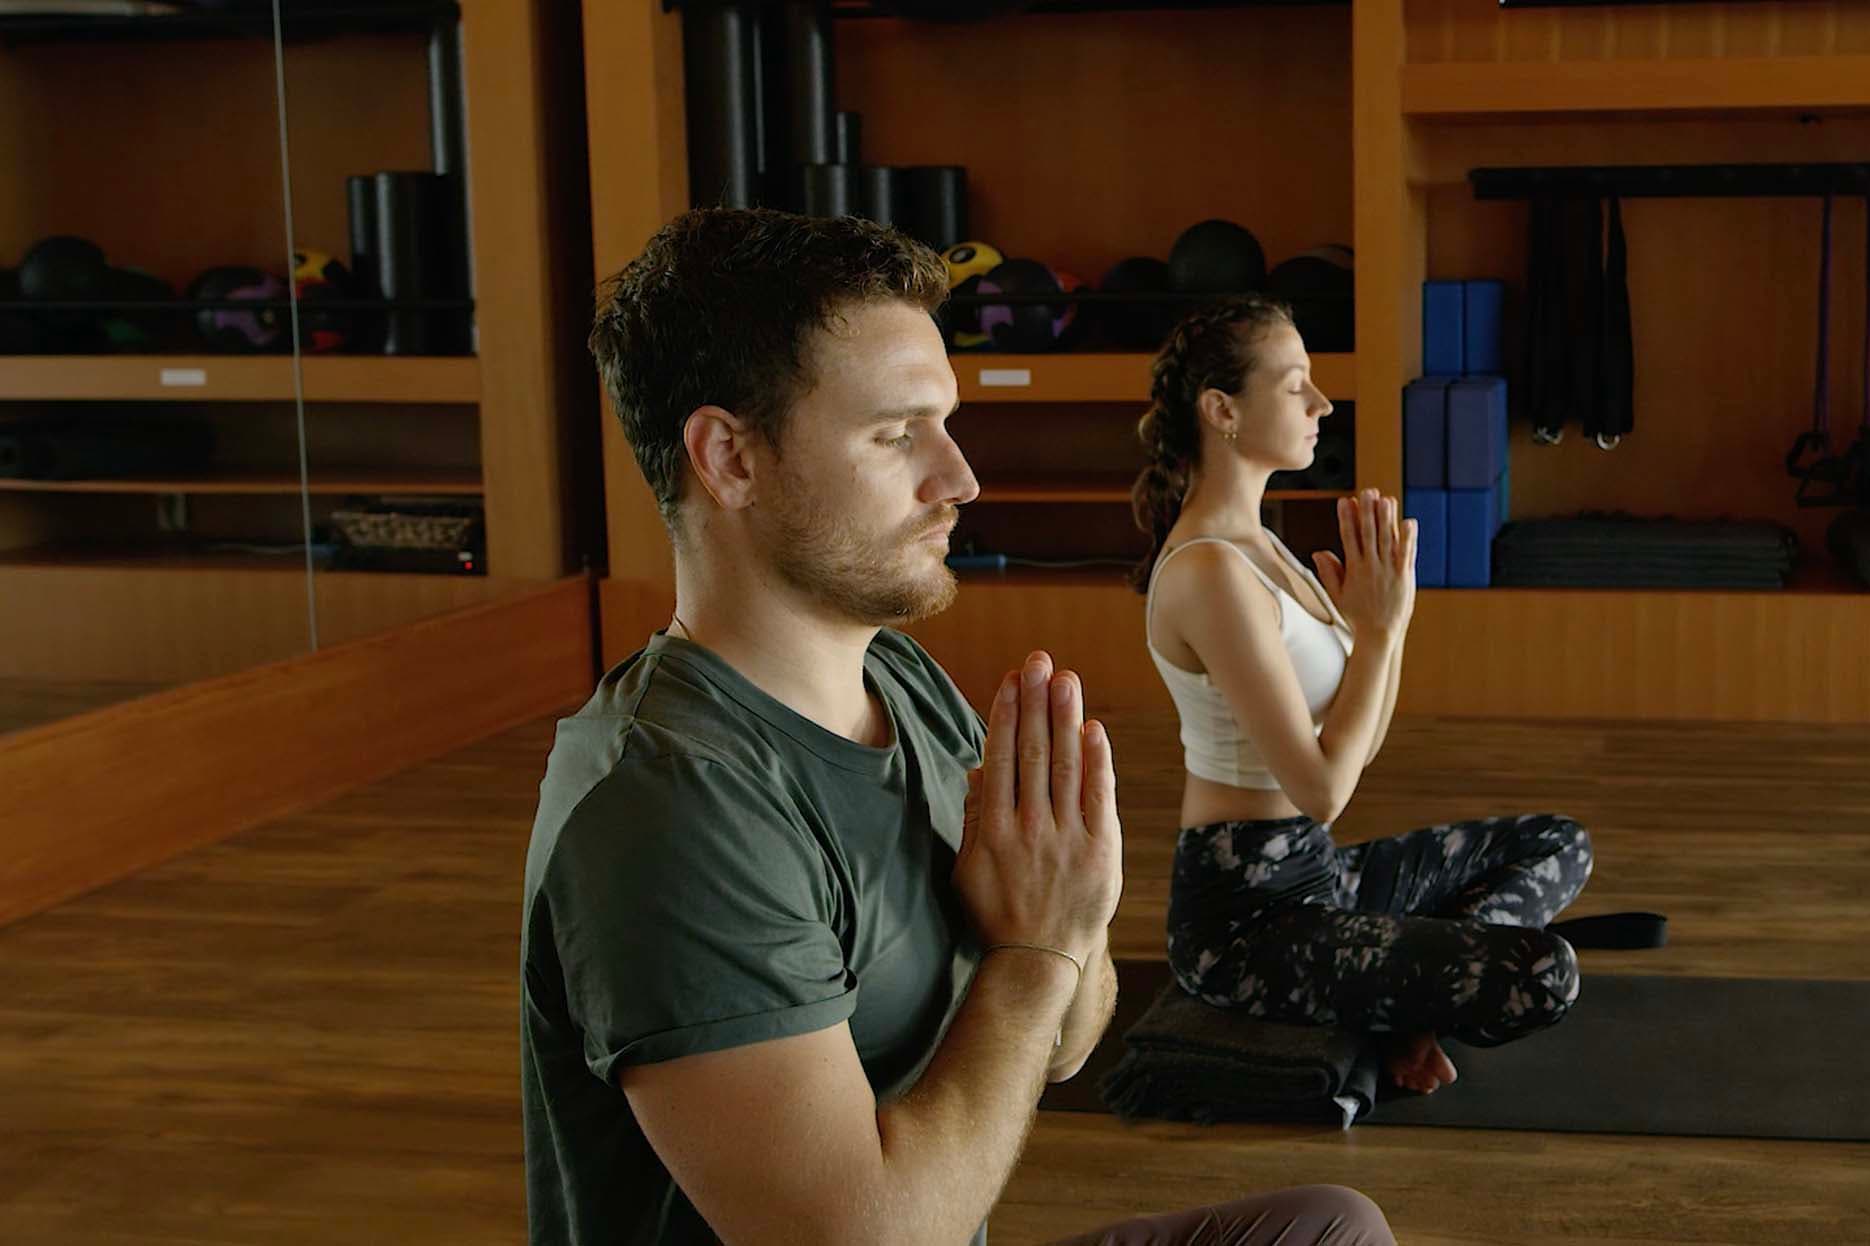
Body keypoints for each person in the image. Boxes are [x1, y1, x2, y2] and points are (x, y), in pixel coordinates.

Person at [523, 208, 1393, 1246]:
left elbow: (1067, 1042)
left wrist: (1065, 927)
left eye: (947, 423)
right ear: (729, 459)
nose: (958, 478)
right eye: (898, 435)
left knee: (1327, 1226)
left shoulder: (906, 682)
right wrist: (1033, 952)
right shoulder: (670, 806)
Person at [1132, 297, 1595, 1098]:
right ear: (1222, 410)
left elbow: (1360, 739)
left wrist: (1393, 625)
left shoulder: (1265, 546)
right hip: (1245, 922)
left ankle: (1401, 995)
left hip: (1316, 879)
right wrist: (1378, 636)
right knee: (1541, 974)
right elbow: (1320, 790)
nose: (1322, 404)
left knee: (1559, 841)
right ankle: (1401, 997)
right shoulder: (1209, 573)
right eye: (1296, 385)